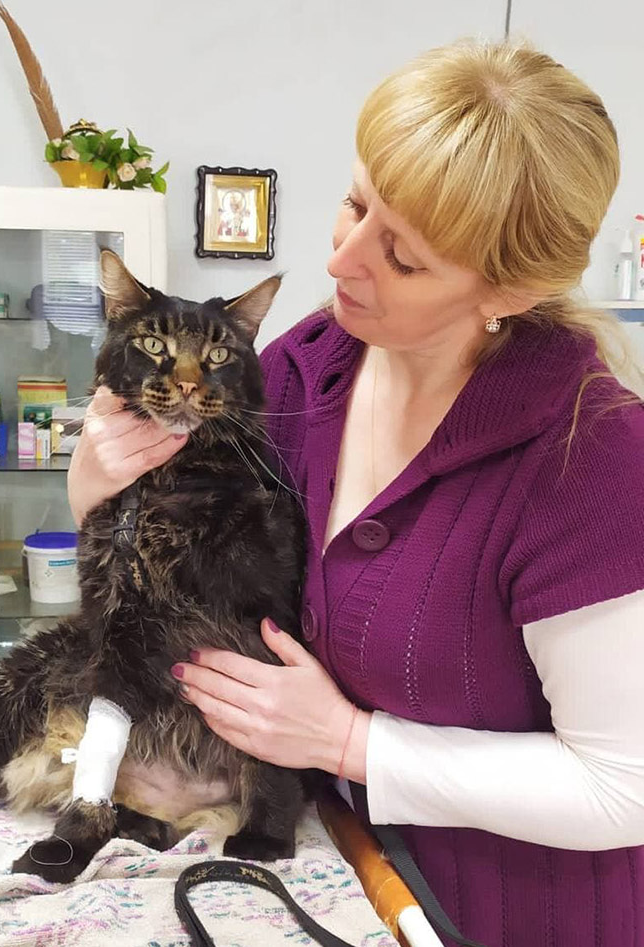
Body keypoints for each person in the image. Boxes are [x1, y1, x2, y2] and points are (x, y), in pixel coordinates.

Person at [67, 41, 644, 947]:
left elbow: (623, 786)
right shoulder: (305, 365)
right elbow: (173, 565)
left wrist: (349, 742)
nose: (342, 260)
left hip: (512, 914)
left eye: (401, 257)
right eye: (355, 202)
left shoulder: (594, 457)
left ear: (511, 290)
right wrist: (94, 485)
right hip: (332, 869)